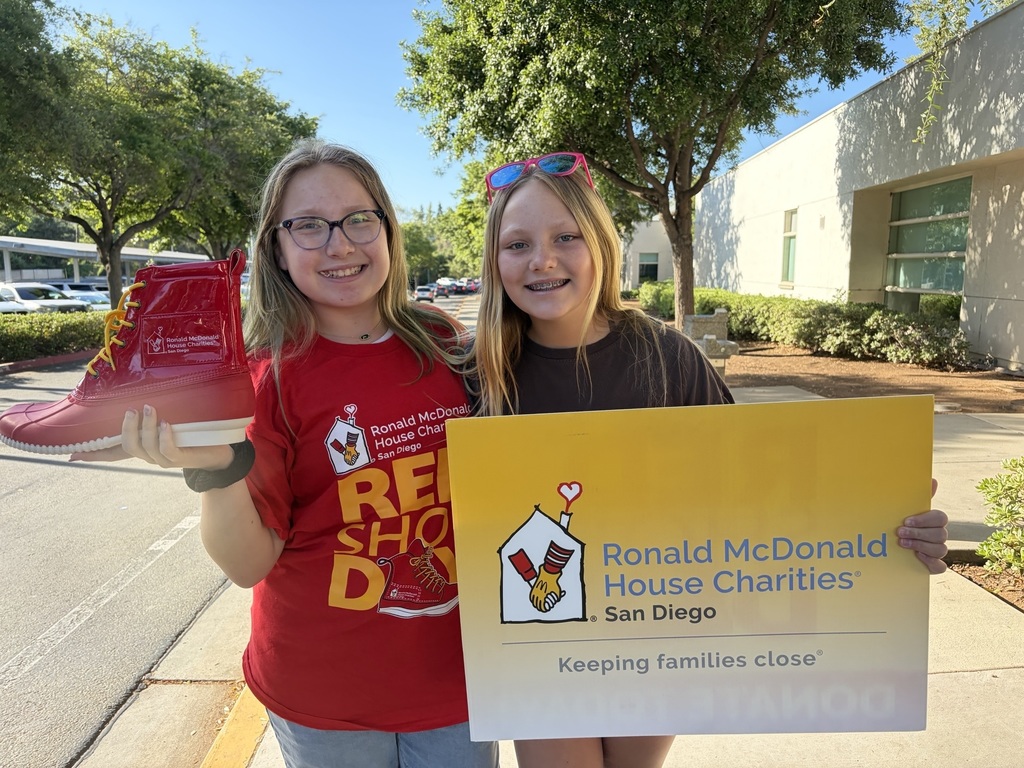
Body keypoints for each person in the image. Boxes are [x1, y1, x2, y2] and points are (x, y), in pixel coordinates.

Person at [465, 151, 950, 768]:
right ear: (495, 259)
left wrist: (885, 522)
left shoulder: (668, 357)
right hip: (538, 638)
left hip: (662, 626)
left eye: (567, 236)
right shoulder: (478, 375)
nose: (543, 259)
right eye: (518, 244)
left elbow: (752, 491)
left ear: (602, 244)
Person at [76, 139, 498, 768]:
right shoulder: (264, 376)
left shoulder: (444, 341)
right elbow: (249, 563)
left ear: (387, 229)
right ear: (276, 247)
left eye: (359, 219)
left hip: (459, 679)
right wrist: (216, 468)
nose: (340, 245)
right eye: (309, 226)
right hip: (324, 696)